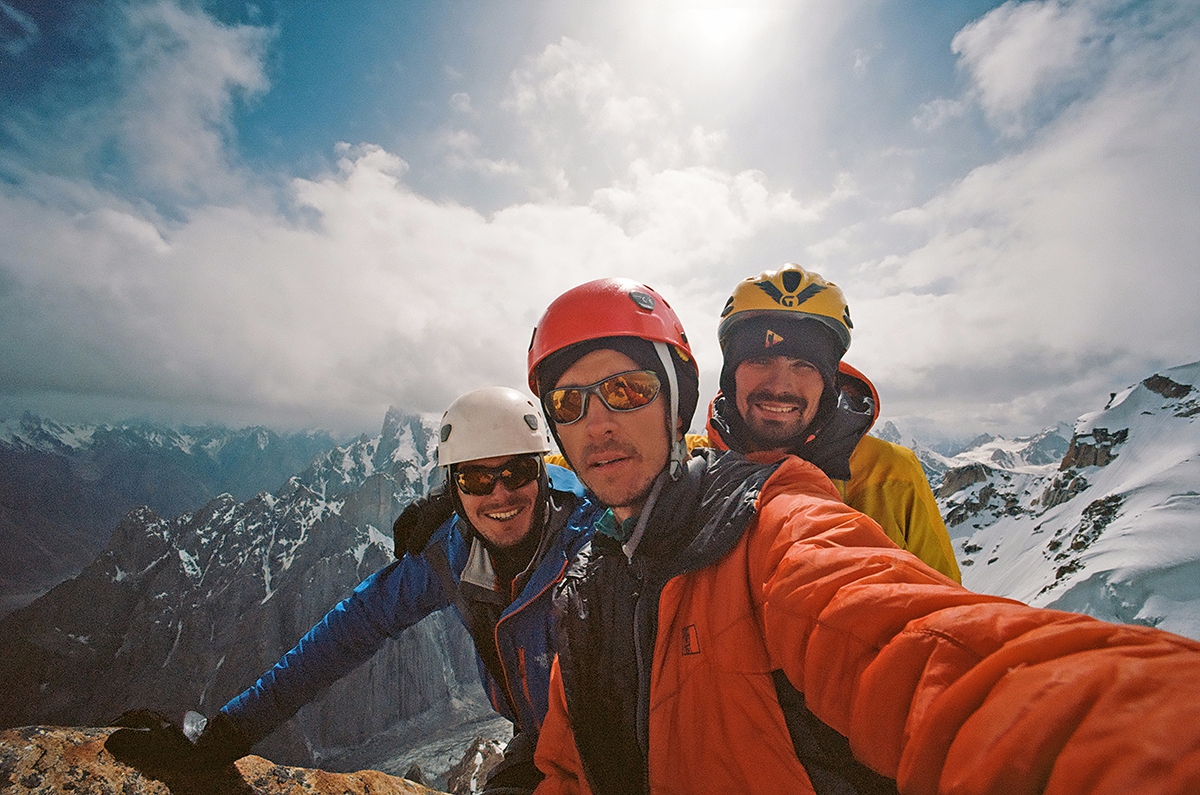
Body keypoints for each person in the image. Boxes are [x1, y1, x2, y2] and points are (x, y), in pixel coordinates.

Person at [525, 278, 1200, 795]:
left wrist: (1147, 730)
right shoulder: (589, 582)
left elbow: (906, 644)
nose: (599, 423)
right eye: (569, 402)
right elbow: (567, 767)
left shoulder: (768, 516)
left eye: (627, 389)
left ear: (676, 402)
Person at [106, 386, 602, 794]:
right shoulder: (450, 552)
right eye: (476, 477)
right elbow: (348, 631)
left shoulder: (600, 535)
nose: (499, 494)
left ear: (541, 469)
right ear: (453, 487)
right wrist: (225, 735)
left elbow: (666, 489)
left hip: (626, 749)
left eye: (515, 471)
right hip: (541, 747)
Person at [702, 263, 960, 582]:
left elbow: (942, 599)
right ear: (731, 374)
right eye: (759, 360)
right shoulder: (684, 467)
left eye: (804, 365)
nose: (780, 385)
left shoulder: (893, 474)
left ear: (829, 382)